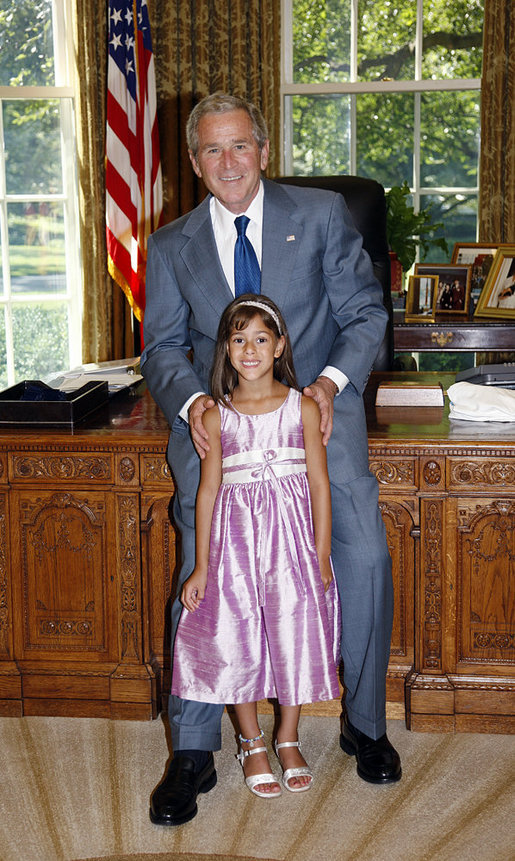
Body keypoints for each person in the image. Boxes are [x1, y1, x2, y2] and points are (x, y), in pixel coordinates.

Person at [141, 92, 401, 828]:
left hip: (314, 411)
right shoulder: (170, 245)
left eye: (240, 146)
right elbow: (161, 348)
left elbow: (363, 312)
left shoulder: (320, 215)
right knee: (204, 562)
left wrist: (324, 385)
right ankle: (194, 746)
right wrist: (195, 405)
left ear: (263, 148)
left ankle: (363, 720)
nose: (228, 162)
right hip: (218, 424)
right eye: (212, 151)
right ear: (194, 163)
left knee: (364, 550)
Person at [171, 294, 340, 802]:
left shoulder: (303, 407)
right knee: (238, 632)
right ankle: (250, 741)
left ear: (280, 345)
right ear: (226, 347)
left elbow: (319, 483)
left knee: (293, 629)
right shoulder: (217, 416)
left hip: (292, 545)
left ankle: (287, 735)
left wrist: (323, 550)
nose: (249, 349)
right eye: (238, 339)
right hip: (235, 546)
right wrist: (202, 566)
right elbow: (207, 491)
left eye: (261, 339)